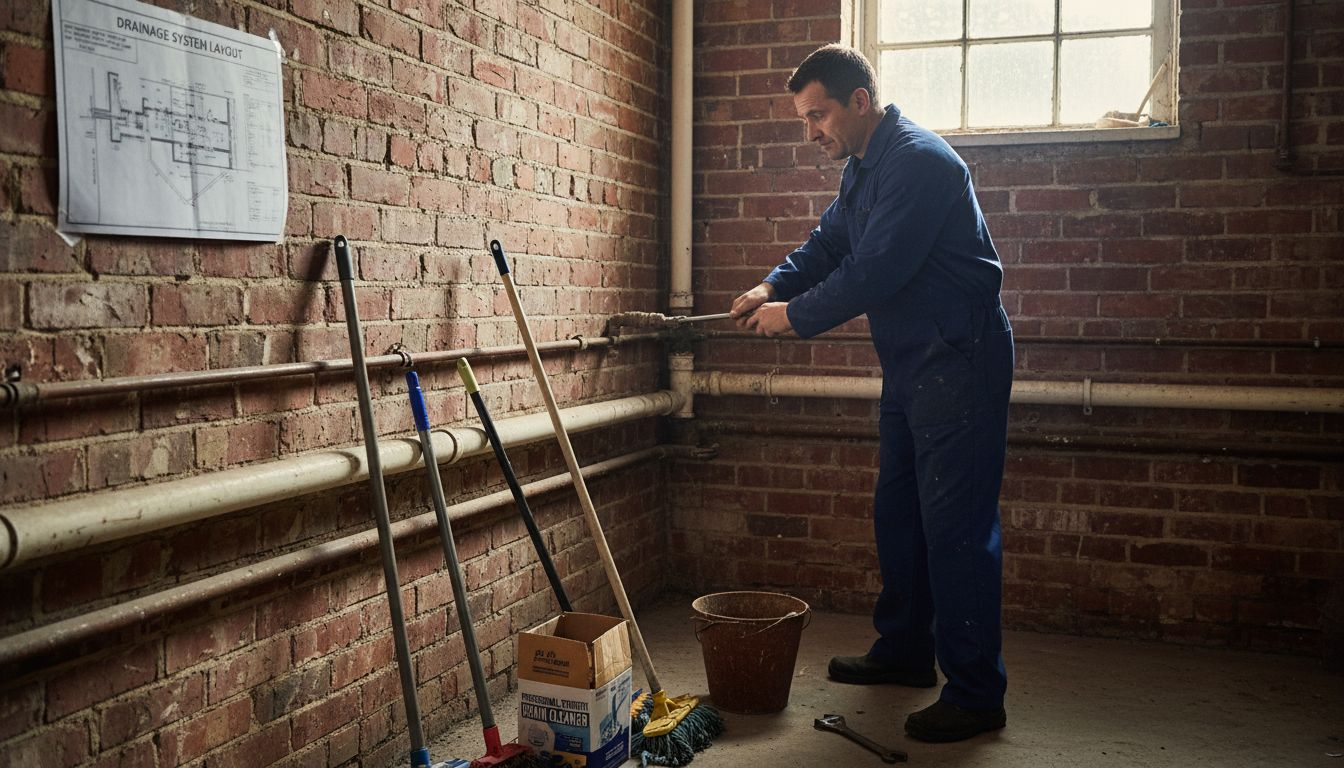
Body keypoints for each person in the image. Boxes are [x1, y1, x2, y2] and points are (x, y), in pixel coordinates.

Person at [729, 44, 1014, 743]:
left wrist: (793, 316)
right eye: (804, 119)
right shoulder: (863, 167)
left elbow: (876, 269)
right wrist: (772, 285)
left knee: (955, 529)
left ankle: (977, 694)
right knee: (900, 512)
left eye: (818, 115)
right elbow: (829, 246)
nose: (811, 132)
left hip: (958, 361)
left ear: (860, 101)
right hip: (913, 363)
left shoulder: (918, 162)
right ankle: (907, 652)